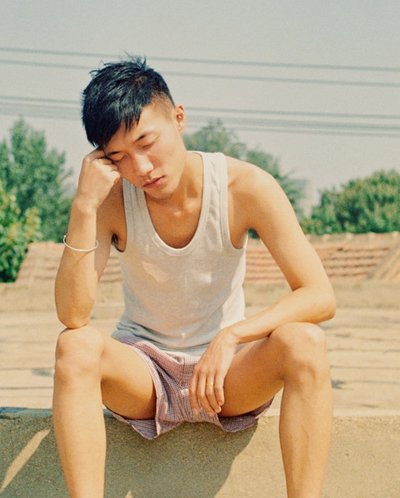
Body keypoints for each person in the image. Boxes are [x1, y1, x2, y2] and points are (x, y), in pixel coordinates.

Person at [53, 56, 335, 498]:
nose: (142, 167)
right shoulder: (110, 200)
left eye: (147, 142)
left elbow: (319, 296)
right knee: (74, 346)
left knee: (306, 342)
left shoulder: (245, 186)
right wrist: (84, 206)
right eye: (119, 157)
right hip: (146, 375)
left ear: (179, 118)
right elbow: (73, 315)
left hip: (227, 377)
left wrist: (232, 336)